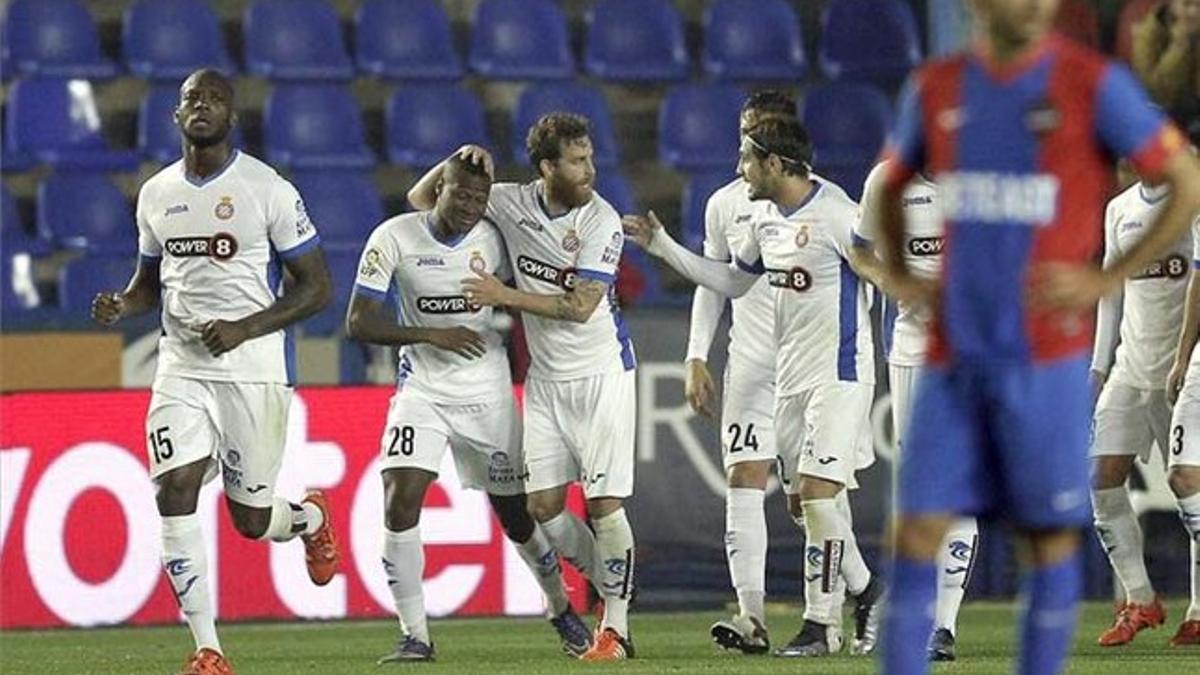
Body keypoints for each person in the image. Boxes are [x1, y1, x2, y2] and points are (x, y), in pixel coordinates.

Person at [870, 0, 1200, 672]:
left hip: (1046, 359)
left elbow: (1185, 180)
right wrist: (904, 275)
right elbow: (887, 185)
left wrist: (1106, 279)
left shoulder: (1091, 82)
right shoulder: (935, 87)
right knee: (915, 535)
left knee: (1048, 541)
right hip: (953, 358)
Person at [90, 69, 340, 675]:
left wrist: (245, 328)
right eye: (191, 99)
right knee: (173, 490)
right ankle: (208, 650)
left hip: (253, 370)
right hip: (180, 366)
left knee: (250, 522)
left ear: (232, 116)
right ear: (176, 117)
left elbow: (318, 289)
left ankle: (309, 518)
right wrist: (124, 305)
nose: (202, 107)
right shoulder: (155, 194)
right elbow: (150, 284)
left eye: (215, 99)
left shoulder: (266, 189)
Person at [623, 116, 884, 659]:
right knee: (802, 504)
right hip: (786, 381)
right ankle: (871, 593)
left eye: (746, 158)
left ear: (773, 161)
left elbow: (879, 275)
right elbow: (732, 280)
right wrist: (665, 247)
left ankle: (819, 625)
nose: (739, 169)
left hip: (838, 376)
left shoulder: (837, 213)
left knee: (817, 495)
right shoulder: (762, 218)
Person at [407, 114, 637, 662]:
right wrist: (455, 157)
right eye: (578, 161)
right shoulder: (511, 202)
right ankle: (613, 586)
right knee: (543, 509)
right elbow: (421, 199)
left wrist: (502, 295)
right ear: (547, 167)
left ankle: (618, 631)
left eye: (590, 158)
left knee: (604, 505)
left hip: (601, 374)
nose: (590, 170)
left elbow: (581, 307)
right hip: (546, 382)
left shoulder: (601, 221)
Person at [345, 155, 591, 663]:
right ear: (439, 189)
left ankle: (560, 605)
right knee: (399, 498)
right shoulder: (394, 237)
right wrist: (432, 334)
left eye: (480, 200)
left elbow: (537, 286)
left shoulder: (493, 240)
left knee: (517, 516)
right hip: (423, 389)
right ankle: (415, 635)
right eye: (461, 194)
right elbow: (359, 321)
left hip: (487, 392)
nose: (470, 207)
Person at [685, 90, 813, 656]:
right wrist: (695, 356)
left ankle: (853, 595)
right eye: (745, 132)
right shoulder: (723, 205)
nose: (748, 147)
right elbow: (714, 283)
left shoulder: (820, 203)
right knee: (743, 483)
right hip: (750, 365)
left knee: (810, 499)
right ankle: (753, 617)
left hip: (806, 370)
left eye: (761, 133)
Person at [850, 163, 978, 662]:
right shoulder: (886, 180)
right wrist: (891, 278)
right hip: (908, 350)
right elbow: (860, 250)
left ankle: (943, 625)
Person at [1090, 162, 1197, 648]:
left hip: (1184, 368)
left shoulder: (1190, 201)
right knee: (1100, 477)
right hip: (1130, 367)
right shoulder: (1119, 210)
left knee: (1190, 487)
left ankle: (1198, 609)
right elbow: (1111, 291)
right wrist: (1097, 368)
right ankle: (1140, 599)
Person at [1131, 0, 1200, 126]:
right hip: (1163, 119)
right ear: (1172, 5)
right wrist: (1180, 44)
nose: (1194, 12)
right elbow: (1157, 95)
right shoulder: (1151, 32)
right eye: (1187, 4)